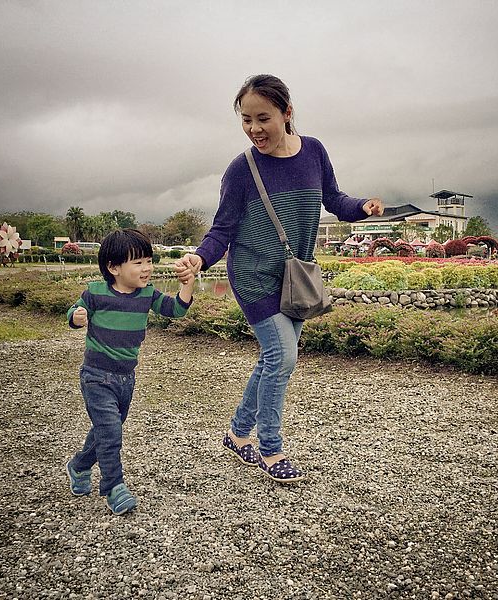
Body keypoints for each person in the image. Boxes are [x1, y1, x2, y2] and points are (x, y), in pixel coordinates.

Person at [174, 74, 384, 483]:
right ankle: (270, 449)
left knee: (273, 358)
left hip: (295, 274)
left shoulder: (314, 152)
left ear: (287, 113)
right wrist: (200, 258)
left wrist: (363, 206)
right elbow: (223, 229)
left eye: (263, 118)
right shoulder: (241, 169)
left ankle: (237, 433)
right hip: (253, 274)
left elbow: (335, 200)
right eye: (246, 120)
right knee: (283, 357)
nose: (254, 129)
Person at [65, 228, 194, 515]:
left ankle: (79, 466)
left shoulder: (146, 295)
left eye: (148, 260)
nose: (147, 268)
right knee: (110, 432)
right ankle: (114, 486)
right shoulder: (95, 293)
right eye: (138, 262)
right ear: (114, 267)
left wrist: (187, 284)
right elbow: (73, 314)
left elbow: (176, 310)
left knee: (106, 430)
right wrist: (76, 317)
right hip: (96, 375)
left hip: (126, 378)